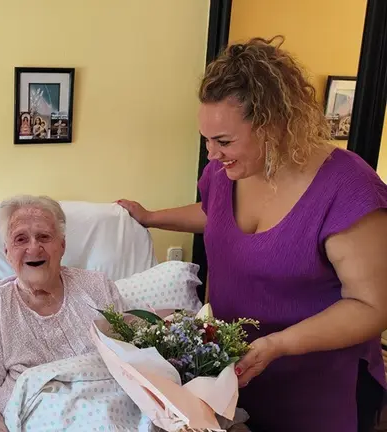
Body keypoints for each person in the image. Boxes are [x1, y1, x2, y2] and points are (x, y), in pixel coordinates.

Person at [117, 36, 387, 432]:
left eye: (224, 141)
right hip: (236, 378)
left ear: (273, 126)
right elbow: (214, 215)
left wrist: (278, 344)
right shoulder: (225, 172)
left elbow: (371, 306)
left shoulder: (348, 188)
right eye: (207, 140)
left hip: (321, 390)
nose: (212, 154)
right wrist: (151, 217)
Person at [0, 195, 125, 431]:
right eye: (21, 239)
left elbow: (132, 358)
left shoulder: (98, 287)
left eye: (44, 237)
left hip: (117, 410)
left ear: (62, 245)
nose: (34, 248)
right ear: (7, 252)